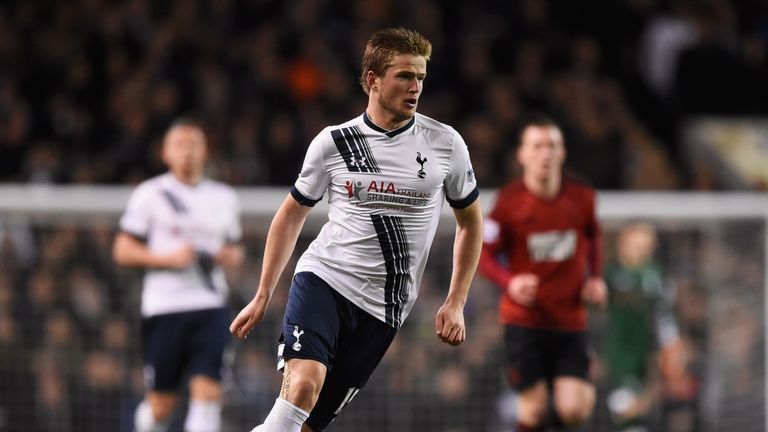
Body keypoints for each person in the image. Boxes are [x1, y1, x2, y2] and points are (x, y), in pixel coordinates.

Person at [229, 27, 483, 432]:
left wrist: (456, 300)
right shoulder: (335, 142)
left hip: (387, 307)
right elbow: (290, 214)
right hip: (325, 279)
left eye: (420, 77)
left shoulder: (445, 144)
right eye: (404, 76)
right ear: (372, 81)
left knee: (308, 425)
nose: (415, 86)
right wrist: (263, 295)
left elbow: (471, 223)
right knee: (302, 389)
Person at [113, 118, 244, 432]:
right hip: (165, 308)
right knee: (162, 405)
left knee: (208, 392)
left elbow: (236, 249)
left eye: (194, 145)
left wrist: (230, 256)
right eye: (180, 145)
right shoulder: (150, 194)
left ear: (205, 152)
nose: (187, 152)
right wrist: (167, 259)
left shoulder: (224, 197)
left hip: (210, 305)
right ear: (165, 154)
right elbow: (122, 249)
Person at [479, 115, 606, 432]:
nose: (545, 153)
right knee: (533, 411)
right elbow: (482, 254)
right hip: (524, 321)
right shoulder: (509, 203)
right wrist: (511, 281)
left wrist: (595, 278)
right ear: (522, 154)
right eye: (537, 146)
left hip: (570, 321)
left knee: (574, 409)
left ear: (562, 153)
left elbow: (592, 236)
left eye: (552, 146)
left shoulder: (582, 197)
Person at [600, 221, 684, 431]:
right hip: (613, 353)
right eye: (639, 239)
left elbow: (665, 314)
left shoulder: (656, 275)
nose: (643, 246)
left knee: (637, 410)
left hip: (646, 354)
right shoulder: (608, 273)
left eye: (648, 242)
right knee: (620, 410)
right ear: (624, 240)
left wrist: (672, 345)